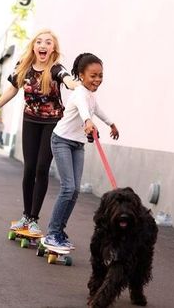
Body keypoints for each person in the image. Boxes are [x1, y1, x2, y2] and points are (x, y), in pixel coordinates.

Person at [0, 29, 80, 234]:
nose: (43, 45)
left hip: (52, 123)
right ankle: (26, 216)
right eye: (39, 42)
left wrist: (74, 83)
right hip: (30, 121)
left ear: (53, 48)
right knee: (29, 168)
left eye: (48, 42)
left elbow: (66, 79)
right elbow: (11, 89)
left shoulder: (55, 68)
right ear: (34, 46)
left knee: (42, 169)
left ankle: (34, 219)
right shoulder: (23, 67)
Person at [43, 52, 119, 249]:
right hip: (61, 141)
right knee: (68, 188)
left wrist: (111, 124)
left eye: (100, 75)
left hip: (77, 145)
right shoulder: (78, 93)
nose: (97, 79)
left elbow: (96, 109)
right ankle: (52, 233)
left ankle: (59, 230)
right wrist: (87, 121)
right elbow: (85, 110)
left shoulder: (91, 96)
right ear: (81, 75)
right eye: (93, 75)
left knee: (75, 190)